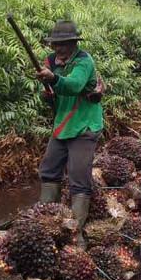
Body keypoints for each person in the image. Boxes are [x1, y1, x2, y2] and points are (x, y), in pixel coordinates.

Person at [35, 19, 103, 248]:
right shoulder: (50, 61)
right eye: (57, 44)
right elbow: (48, 93)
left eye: (65, 44)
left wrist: (54, 79)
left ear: (74, 43)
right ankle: (46, 222)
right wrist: (47, 94)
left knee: (78, 177)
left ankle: (76, 235)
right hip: (63, 124)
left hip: (84, 125)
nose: (60, 49)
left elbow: (73, 85)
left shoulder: (84, 61)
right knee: (49, 170)